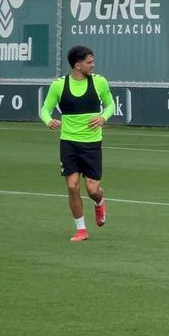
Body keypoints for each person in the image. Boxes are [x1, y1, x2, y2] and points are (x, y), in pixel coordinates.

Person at [40, 45, 114, 243]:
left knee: (92, 190)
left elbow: (110, 104)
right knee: (72, 187)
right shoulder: (59, 85)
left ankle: (99, 200)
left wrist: (103, 117)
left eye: (93, 61)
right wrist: (49, 121)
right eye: (89, 62)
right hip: (69, 143)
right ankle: (81, 230)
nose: (93, 65)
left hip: (92, 144)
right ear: (77, 65)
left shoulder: (99, 82)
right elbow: (45, 109)